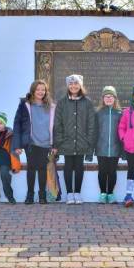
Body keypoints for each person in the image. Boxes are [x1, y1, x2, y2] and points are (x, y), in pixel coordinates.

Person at [53, 74, 96, 205]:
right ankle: (69, 193)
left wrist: (89, 141)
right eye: (71, 84)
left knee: (79, 167)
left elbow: (91, 123)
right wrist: (59, 141)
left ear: (80, 85)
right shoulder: (62, 102)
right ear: (68, 85)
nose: (73, 86)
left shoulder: (87, 102)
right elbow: (58, 123)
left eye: (76, 83)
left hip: (82, 142)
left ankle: (77, 192)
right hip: (66, 141)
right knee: (68, 167)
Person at [13, 80, 56, 204]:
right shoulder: (24, 104)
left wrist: (55, 145)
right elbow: (17, 124)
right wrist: (17, 144)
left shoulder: (51, 106)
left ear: (46, 91)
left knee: (42, 168)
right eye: (38, 89)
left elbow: (56, 126)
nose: (40, 92)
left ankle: (42, 195)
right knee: (31, 168)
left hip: (46, 142)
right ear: (33, 91)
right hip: (30, 142)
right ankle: (30, 195)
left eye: (43, 90)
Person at [95, 86, 123, 204]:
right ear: (103, 98)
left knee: (112, 171)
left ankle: (110, 193)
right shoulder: (98, 113)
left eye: (111, 96)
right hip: (101, 147)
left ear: (115, 98)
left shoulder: (120, 113)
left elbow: (122, 130)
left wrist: (122, 148)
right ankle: (102, 193)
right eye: (106, 96)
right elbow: (95, 130)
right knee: (102, 171)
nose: (109, 98)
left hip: (115, 148)